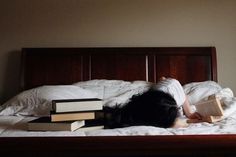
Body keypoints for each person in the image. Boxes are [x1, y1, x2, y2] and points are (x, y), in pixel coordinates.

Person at [104, 77, 201, 129]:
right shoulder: (151, 101)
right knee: (162, 82)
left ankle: (162, 79)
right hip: (164, 89)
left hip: (170, 86)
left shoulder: (176, 94)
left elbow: (184, 98)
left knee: (163, 81)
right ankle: (162, 79)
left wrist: (190, 113)